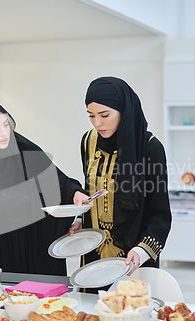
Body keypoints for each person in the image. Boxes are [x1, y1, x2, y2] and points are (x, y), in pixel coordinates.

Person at [0, 100, 89, 281]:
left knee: (43, 305)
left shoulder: (28, 154)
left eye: (6, 125)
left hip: (35, 248)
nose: (4, 133)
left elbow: (62, 183)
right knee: (2, 306)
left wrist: (75, 193)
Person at [70, 76, 172, 279]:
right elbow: (91, 189)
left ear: (123, 111)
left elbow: (159, 213)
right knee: (90, 308)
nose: (97, 123)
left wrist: (142, 251)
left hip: (133, 255)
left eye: (104, 115)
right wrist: (80, 218)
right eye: (91, 115)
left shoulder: (150, 147)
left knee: (129, 308)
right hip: (94, 251)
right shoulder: (88, 142)